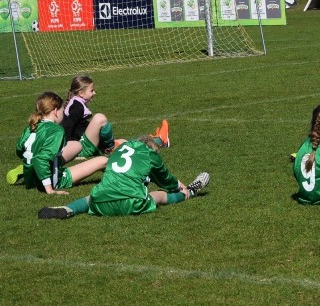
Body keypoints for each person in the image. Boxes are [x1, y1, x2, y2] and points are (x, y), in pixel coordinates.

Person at [37, 133, 209, 219]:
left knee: (91, 198)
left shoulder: (122, 149)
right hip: (131, 203)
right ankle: (190, 193)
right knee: (158, 195)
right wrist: (179, 186)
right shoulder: (151, 155)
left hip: (101, 203)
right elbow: (165, 179)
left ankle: (68, 209)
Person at [16, 92, 109, 195]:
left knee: (77, 145)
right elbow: (40, 159)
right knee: (104, 161)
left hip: (30, 179)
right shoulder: (57, 130)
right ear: (55, 111)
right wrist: (49, 189)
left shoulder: (32, 126)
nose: (63, 114)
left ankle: (38, 172)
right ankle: (122, 178)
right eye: (62, 110)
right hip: (50, 181)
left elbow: (20, 150)